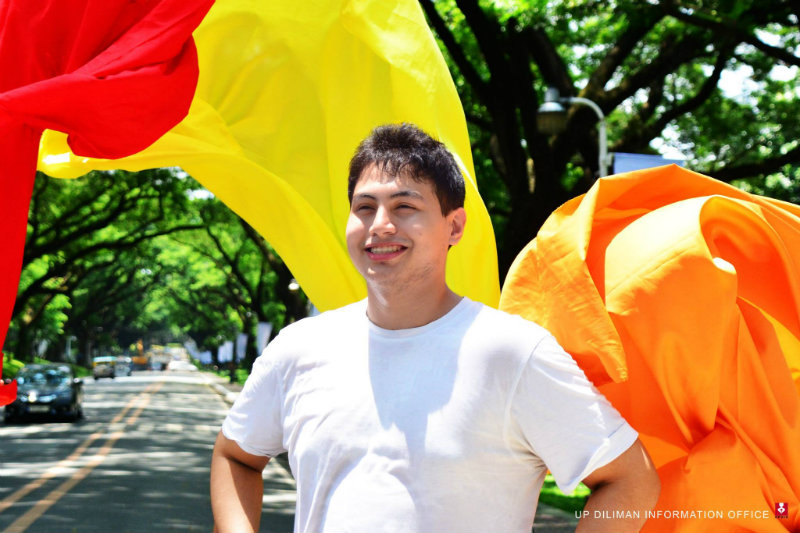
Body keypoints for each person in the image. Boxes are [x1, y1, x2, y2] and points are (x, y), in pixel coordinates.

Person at [210, 123, 660, 533]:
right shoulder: (299, 347)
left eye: (405, 206)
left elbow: (630, 478)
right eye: (364, 207)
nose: (380, 225)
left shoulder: (512, 352)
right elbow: (235, 455)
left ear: (455, 226)